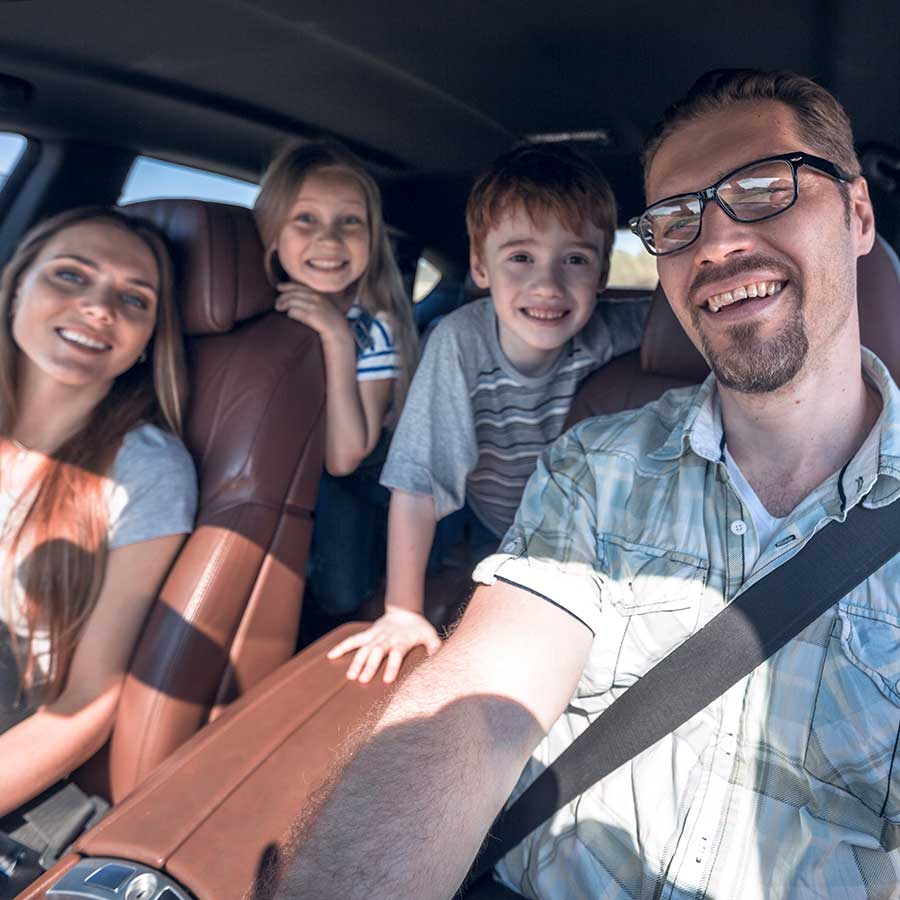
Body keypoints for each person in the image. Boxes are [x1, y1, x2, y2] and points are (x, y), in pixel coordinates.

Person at [273, 68, 900, 900]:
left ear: (859, 214)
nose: (713, 244)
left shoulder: (609, 340)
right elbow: (479, 696)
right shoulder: (589, 465)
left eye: (762, 189)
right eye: (676, 221)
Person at [327, 143, 649, 684]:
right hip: (487, 513)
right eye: (520, 258)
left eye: (575, 260)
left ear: (601, 275)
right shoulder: (459, 342)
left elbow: (684, 322)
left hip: (560, 529)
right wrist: (403, 612)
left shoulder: (612, 329)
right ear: (480, 266)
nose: (547, 285)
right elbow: (420, 482)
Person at [0, 207, 197, 818]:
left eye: (134, 300)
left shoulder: (147, 472)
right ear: (15, 290)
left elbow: (89, 700)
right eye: (70, 275)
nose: (98, 308)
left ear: (146, 343)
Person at [253, 140, 417, 621]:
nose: (329, 240)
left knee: (340, 595)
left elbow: (346, 458)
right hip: (286, 465)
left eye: (350, 221)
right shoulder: (248, 312)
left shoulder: (374, 324)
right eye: (305, 219)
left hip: (359, 475)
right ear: (271, 229)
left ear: (372, 237)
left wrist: (337, 339)